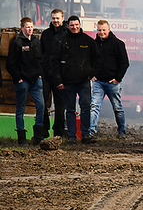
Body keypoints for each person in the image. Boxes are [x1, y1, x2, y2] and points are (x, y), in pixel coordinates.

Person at [52, 15, 100, 144]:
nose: (74, 27)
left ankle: (85, 135)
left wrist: (91, 73)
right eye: (72, 25)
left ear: (80, 25)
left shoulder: (88, 41)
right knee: (70, 109)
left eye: (76, 25)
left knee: (86, 107)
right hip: (67, 83)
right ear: (68, 26)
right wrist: (58, 81)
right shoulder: (61, 41)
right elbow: (54, 62)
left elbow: (97, 59)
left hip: (84, 81)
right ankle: (72, 136)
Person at [6, 17, 46, 146]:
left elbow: (41, 60)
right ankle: (21, 137)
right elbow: (10, 64)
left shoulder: (36, 42)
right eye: (27, 27)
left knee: (41, 106)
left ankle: (38, 135)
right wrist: (18, 78)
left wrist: (40, 74)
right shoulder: (17, 43)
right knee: (21, 108)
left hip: (36, 80)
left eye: (31, 26)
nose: (30, 29)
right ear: (22, 27)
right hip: (22, 81)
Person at [90, 20, 130, 138]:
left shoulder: (118, 44)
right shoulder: (94, 44)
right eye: (99, 30)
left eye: (104, 30)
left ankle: (122, 131)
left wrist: (118, 78)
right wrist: (92, 74)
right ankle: (91, 132)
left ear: (109, 29)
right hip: (98, 82)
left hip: (112, 83)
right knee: (94, 107)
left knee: (117, 108)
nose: (101, 32)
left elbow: (124, 63)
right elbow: (89, 61)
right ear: (96, 30)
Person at [40, 9, 68, 138]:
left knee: (60, 104)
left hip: (60, 76)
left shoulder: (67, 34)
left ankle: (58, 132)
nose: (55, 21)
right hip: (46, 74)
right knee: (43, 102)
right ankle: (44, 129)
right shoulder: (46, 34)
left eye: (58, 18)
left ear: (63, 18)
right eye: (53, 18)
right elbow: (41, 53)